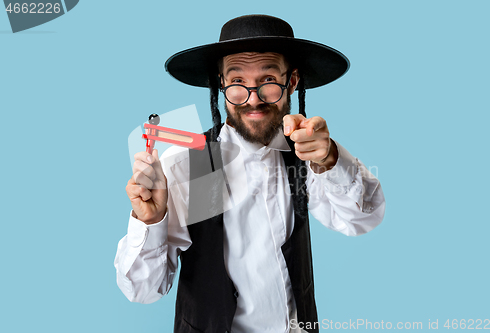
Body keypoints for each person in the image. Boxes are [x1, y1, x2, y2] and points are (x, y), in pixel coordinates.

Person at [115, 14, 385, 333]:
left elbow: (361, 220)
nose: (253, 98)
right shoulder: (197, 163)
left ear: (292, 81)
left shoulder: (305, 152)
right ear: (221, 84)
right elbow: (144, 291)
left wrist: (329, 159)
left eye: (268, 80)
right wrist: (150, 221)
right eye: (238, 82)